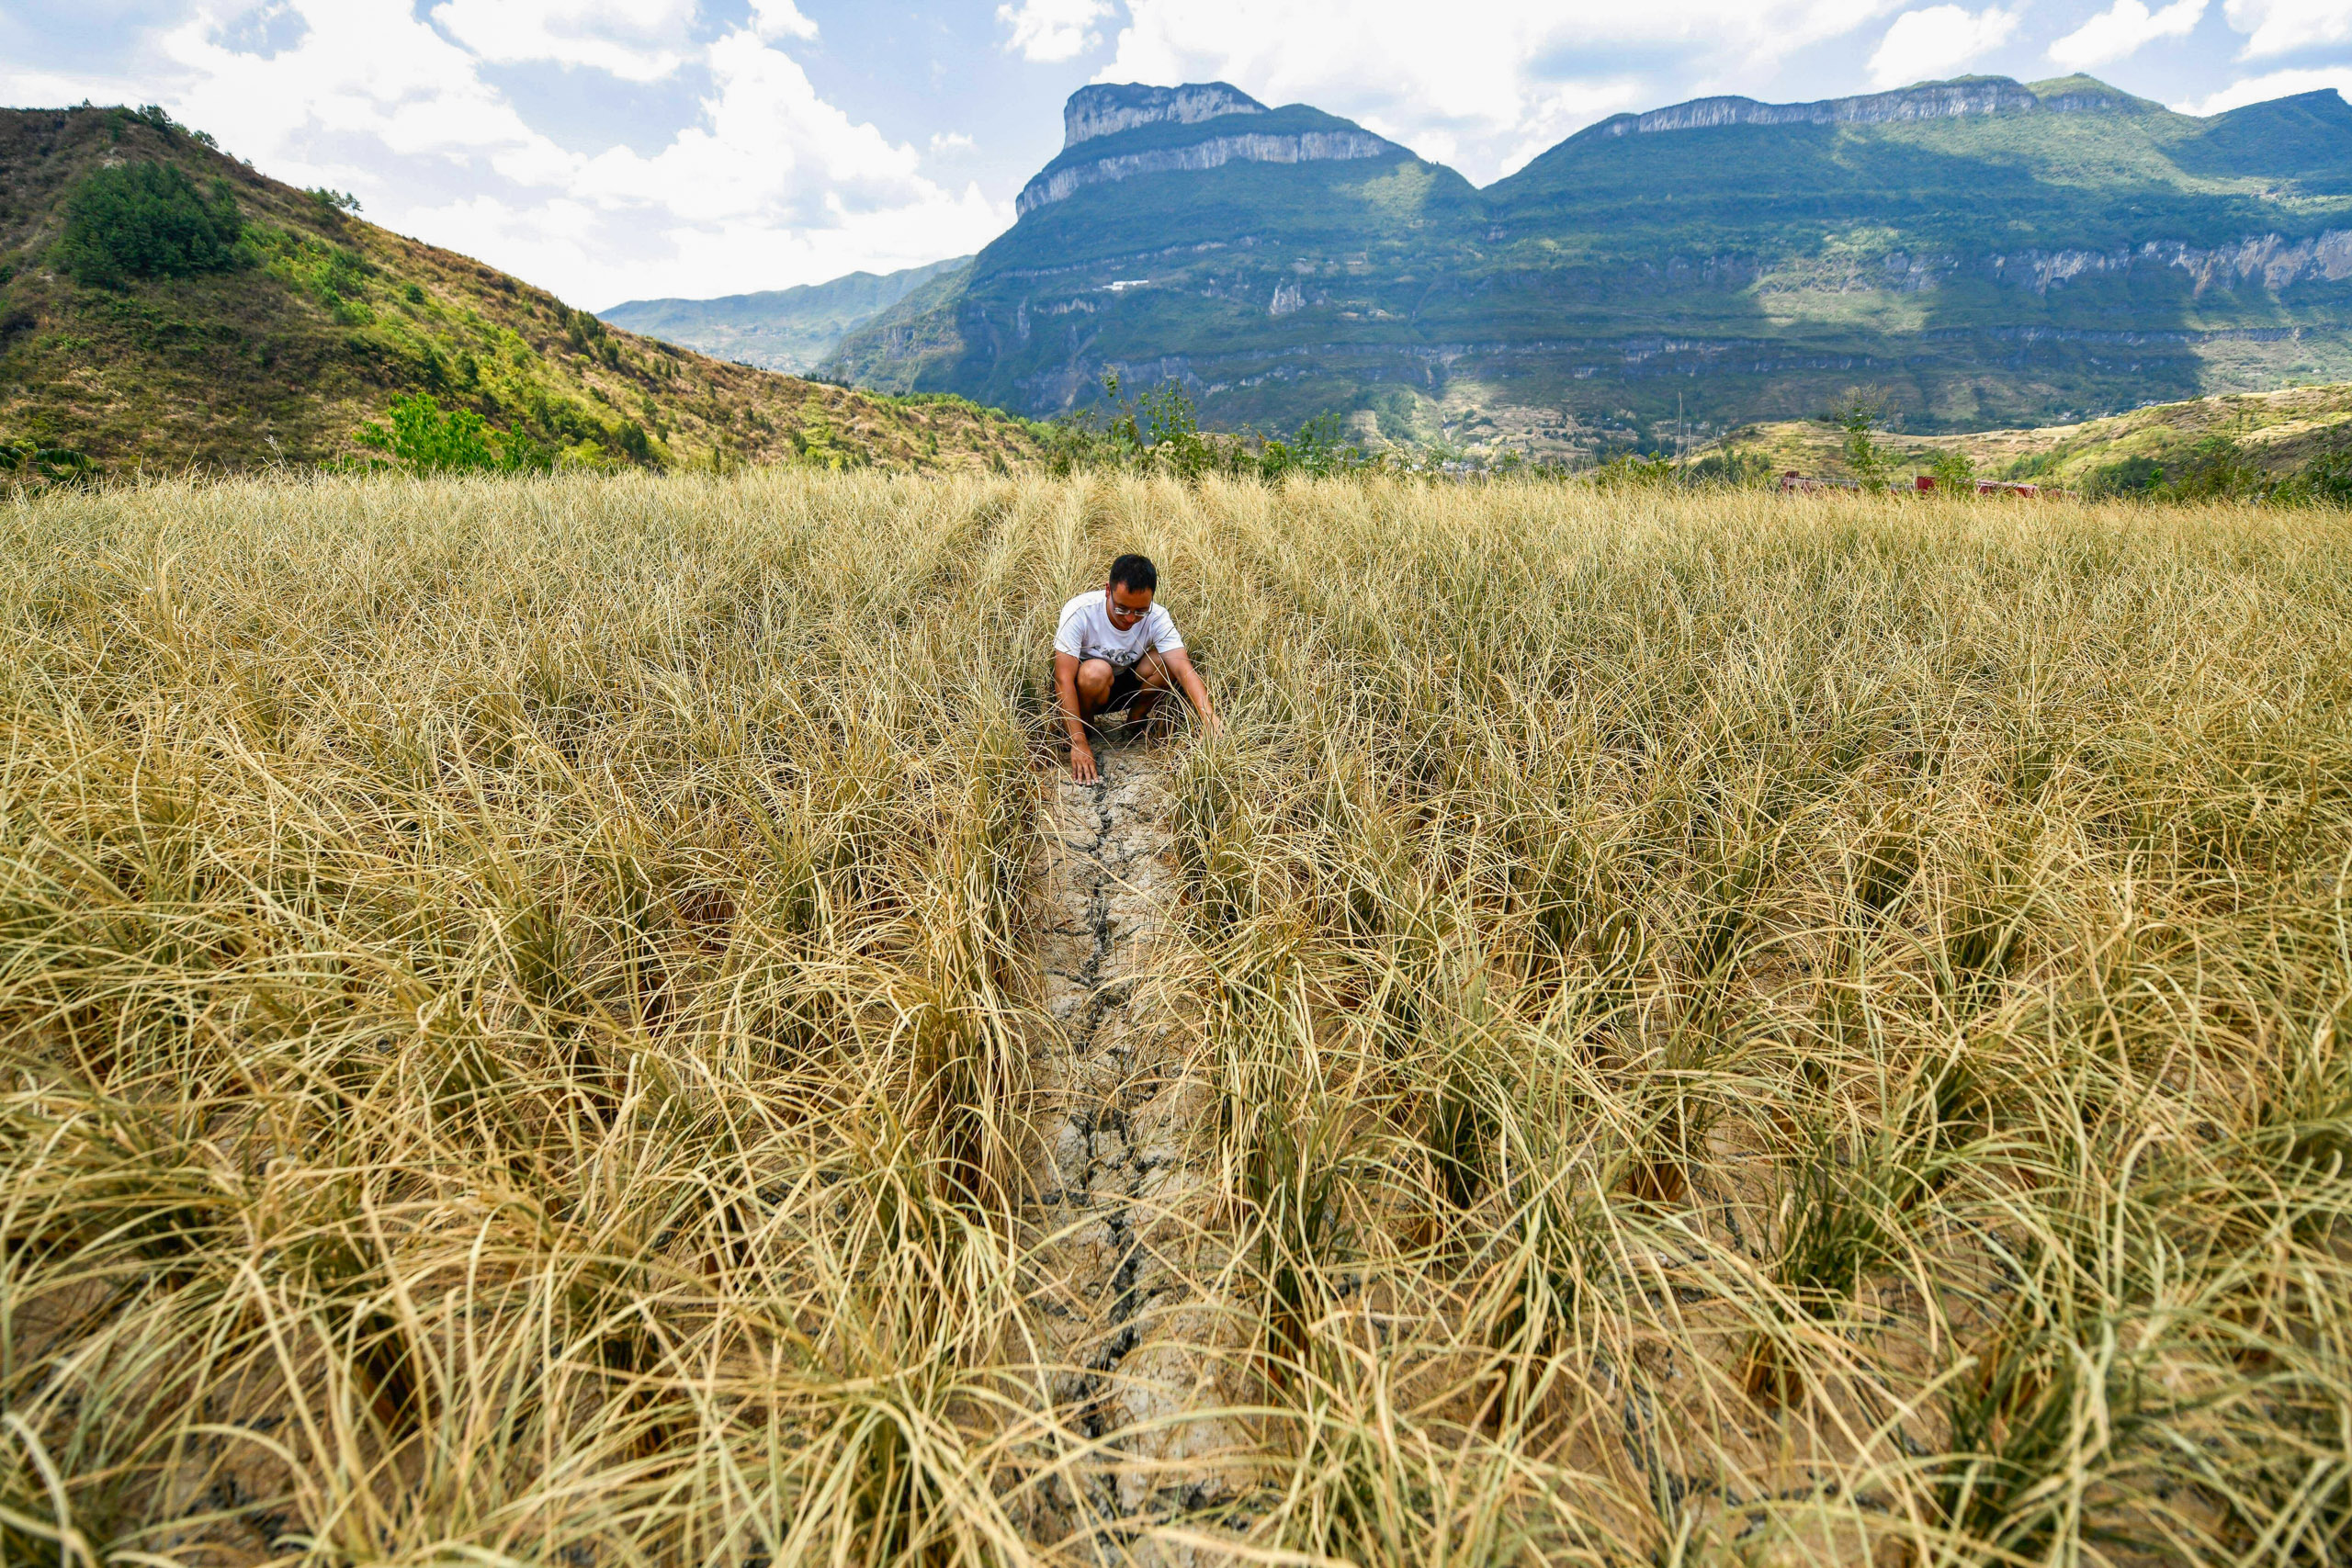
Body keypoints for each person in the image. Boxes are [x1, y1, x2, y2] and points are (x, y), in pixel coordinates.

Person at [1052, 553, 1219, 784]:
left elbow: (1183, 669)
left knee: (1165, 659)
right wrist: (1078, 742)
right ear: (1108, 591)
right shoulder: (1080, 611)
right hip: (1089, 689)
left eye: (1140, 611)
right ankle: (1087, 727)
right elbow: (1062, 679)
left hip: (1127, 685)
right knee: (1096, 671)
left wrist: (1209, 718)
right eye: (1122, 609)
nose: (1130, 619)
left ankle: (1136, 719)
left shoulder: (1158, 616)